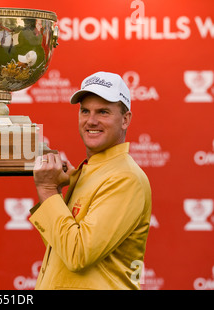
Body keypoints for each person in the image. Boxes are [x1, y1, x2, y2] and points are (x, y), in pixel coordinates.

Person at [30, 71, 152, 289]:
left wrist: (47, 189)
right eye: (85, 111)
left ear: (125, 120)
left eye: (103, 112)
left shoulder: (125, 178)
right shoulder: (89, 171)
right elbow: (59, 248)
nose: (91, 121)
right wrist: (54, 192)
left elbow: (78, 255)